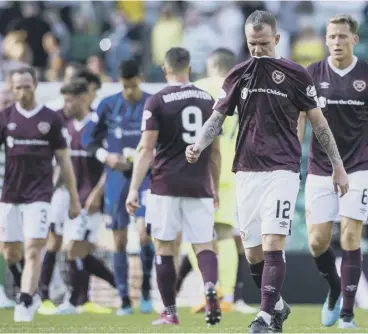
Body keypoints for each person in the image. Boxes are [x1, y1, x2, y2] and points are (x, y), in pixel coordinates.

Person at [185, 10, 349, 334]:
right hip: (246, 169)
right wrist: (200, 143)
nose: (258, 50)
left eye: (263, 43)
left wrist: (338, 166)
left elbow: (319, 123)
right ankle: (277, 306)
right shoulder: (237, 75)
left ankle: (264, 317)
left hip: (283, 169)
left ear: (276, 39)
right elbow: (217, 118)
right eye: (251, 44)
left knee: (274, 241)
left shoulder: (296, 75)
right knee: (253, 252)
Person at [126, 47, 222, 326]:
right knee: (204, 244)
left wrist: (133, 189)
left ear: (165, 70)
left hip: (165, 184)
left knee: (165, 247)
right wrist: (213, 186)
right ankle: (209, 287)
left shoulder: (157, 101)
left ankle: (169, 311)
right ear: (189, 68)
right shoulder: (208, 100)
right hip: (199, 184)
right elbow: (215, 152)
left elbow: (146, 149)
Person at [298, 14, 368, 329]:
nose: (337, 42)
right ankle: (335, 288)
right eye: (332, 37)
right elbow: (300, 120)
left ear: (354, 39)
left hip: (360, 167)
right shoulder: (312, 74)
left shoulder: (366, 74)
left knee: (352, 235)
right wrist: (290, 153)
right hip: (320, 167)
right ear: (325, 40)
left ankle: (348, 315)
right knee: (316, 242)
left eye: (342, 36)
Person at [0, 67, 81, 322]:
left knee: (34, 248)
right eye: (18, 87)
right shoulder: (5, 117)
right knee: (10, 252)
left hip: (40, 194)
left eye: (27, 85)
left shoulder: (51, 119)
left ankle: (25, 300)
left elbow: (64, 161)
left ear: (35, 85)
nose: (23, 91)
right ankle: (30, 293)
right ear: (12, 89)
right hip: (11, 193)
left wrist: (74, 197)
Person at [185, 47, 256, 314]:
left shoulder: (199, 88)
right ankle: (228, 296)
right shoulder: (242, 88)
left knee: (198, 234)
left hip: (200, 169)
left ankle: (212, 290)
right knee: (229, 233)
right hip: (235, 170)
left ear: (209, 65)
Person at [82, 59, 154, 316]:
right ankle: (124, 299)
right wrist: (106, 157)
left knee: (145, 233)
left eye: (133, 86)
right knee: (119, 239)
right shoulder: (108, 105)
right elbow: (87, 138)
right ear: (119, 82)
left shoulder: (152, 103)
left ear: (141, 79)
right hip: (116, 177)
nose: (129, 91)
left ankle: (146, 291)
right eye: (125, 86)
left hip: (146, 176)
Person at [39, 79, 114, 315]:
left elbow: (108, 165)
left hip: (90, 198)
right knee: (72, 247)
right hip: (69, 196)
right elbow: (64, 163)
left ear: (83, 98)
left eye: (69, 100)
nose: (66, 104)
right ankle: (74, 300)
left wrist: (97, 194)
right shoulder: (66, 125)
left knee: (75, 248)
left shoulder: (98, 124)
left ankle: (75, 300)